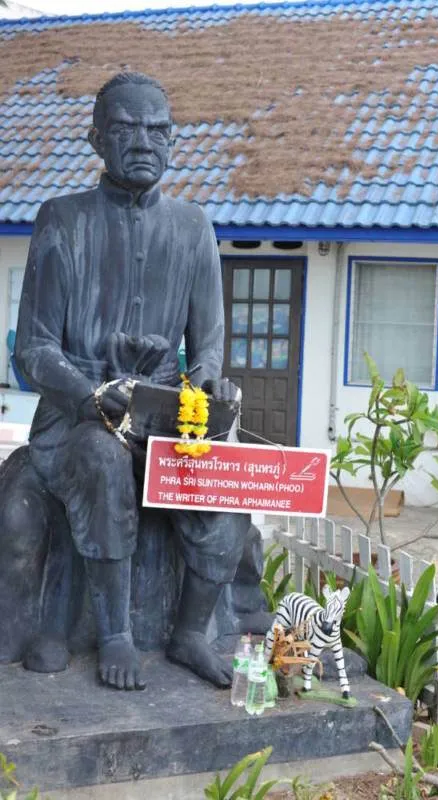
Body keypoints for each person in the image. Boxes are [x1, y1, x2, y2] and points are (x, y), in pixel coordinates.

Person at [15, 71, 248, 691]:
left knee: (224, 477)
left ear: (172, 140)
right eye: (125, 129)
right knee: (101, 460)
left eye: (157, 130)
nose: (144, 141)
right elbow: (34, 348)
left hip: (168, 411)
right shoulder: (62, 221)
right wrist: (89, 397)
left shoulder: (193, 226)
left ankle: (191, 632)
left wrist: (208, 386)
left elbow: (208, 345)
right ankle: (115, 632)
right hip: (78, 413)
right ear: (97, 140)